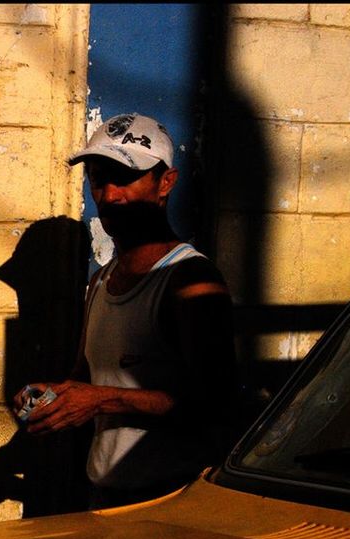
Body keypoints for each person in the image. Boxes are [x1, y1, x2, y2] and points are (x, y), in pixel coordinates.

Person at [14, 112, 239, 509]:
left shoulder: (190, 280)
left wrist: (100, 399)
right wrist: (55, 398)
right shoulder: (101, 282)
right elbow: (86, 378)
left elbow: (216, 404)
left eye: (126, 178)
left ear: (165, 182)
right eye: (99, 180)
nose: (111, 195)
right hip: (104, 498)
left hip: (170, 504)